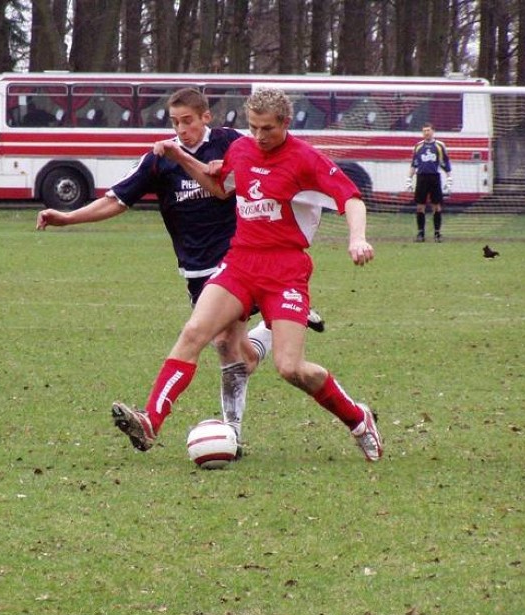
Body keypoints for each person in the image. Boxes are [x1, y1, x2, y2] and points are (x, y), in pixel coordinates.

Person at [38, 87, 324, 453]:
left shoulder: (232, 143)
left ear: (206, 117)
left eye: (187, 121)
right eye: (174, 123)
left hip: (240, 262)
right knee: (240, 355)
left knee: (221, 344)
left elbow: (275, 168)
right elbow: (117, 200)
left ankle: (222, 431)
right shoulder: (159, 160)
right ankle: (273, 325)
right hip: (195, 269)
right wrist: (67, 217)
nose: (181, 129)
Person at [111, 87, 383, 462]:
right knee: (194, 333)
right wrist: (180, 155)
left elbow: (350, 198)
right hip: (240, 261)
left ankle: (357, 419)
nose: (258, 136)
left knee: (290, 368)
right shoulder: (240, 148)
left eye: (267, 129)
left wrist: (358, 238)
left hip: (285, 269)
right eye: (253, 127)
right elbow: (220, 188)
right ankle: (150, 421)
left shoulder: (306, 159)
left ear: (285, 123)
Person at [406, 122, 452, 242]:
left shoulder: (439, 145)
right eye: (424, 130)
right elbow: (414, 164)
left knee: (436, 206)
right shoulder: (418, 146)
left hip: (434, 177)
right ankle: (420, 233)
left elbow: (445, 163)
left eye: (428, 130)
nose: (426, 132)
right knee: (420, 206)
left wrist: (449, 178)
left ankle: (437, 234)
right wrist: (409, 179)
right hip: (421, 177)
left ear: (433, 131)